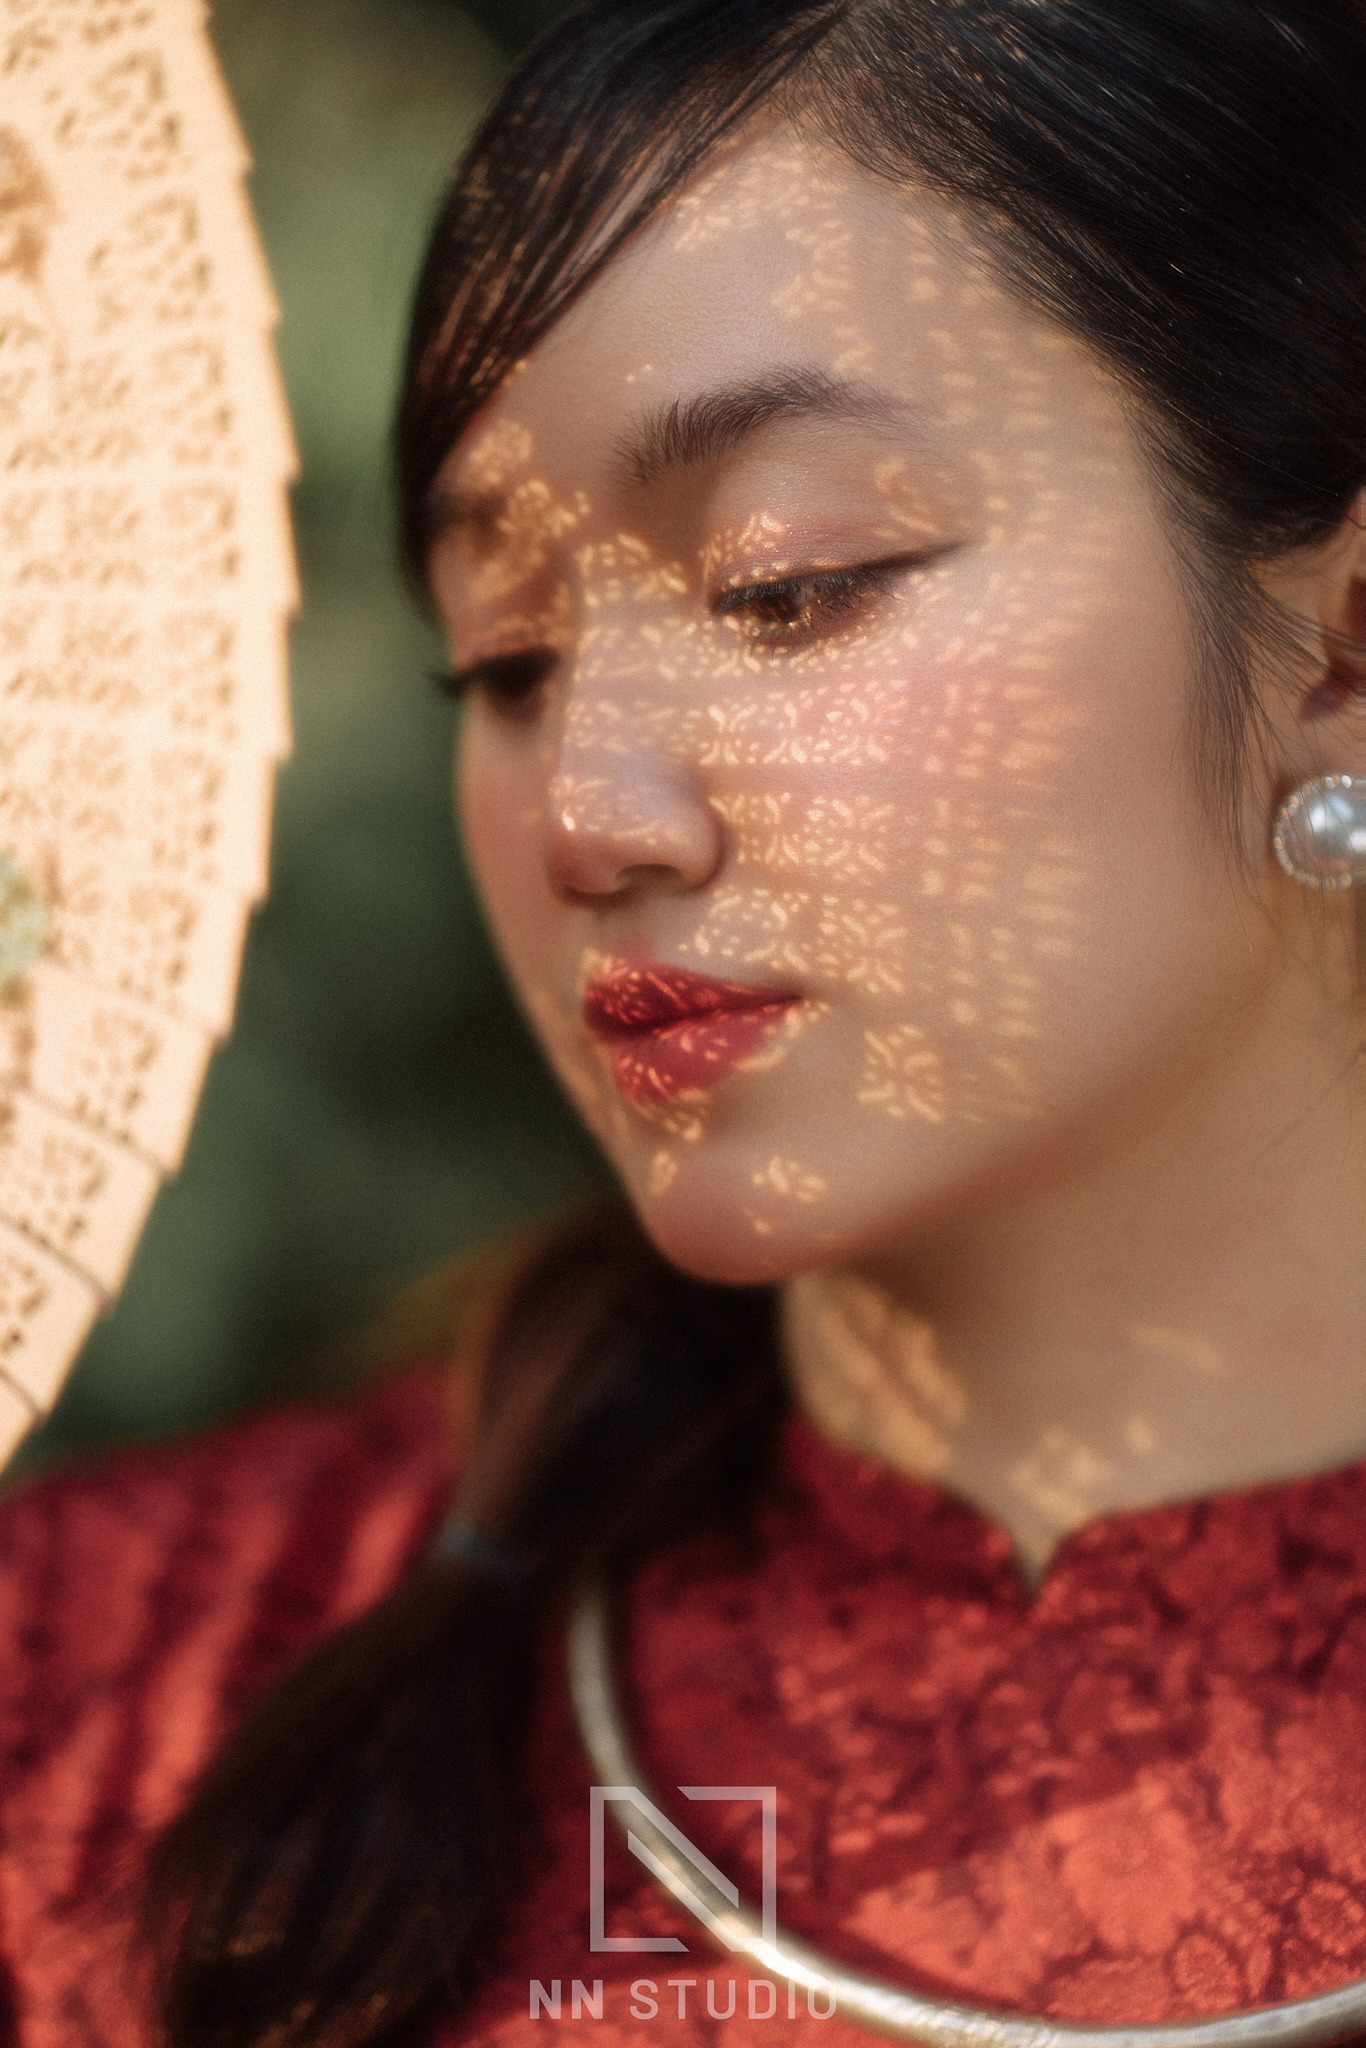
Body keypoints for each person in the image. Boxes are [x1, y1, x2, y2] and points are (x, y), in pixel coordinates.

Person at [1, 0, 1363, 2043]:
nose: (585, 814)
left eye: (784, 583)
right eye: (507, 657)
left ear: (1337, 653)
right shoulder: (98, 1711)